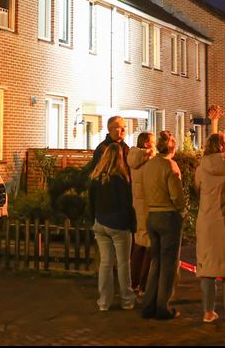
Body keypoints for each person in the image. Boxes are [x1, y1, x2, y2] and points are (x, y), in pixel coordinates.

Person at [139, 130, 185, 320]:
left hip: (152, 216)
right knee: (169, 264)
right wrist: (181, 209)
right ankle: (162, 307)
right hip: (168, 216)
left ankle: (148, 304)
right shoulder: (170, 166)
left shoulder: (149, 166)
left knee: (155, 261)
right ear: (172, 148)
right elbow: (176, 196)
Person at [196, 132, 225, 324]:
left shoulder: (201, 168)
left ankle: (208, 312)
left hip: (206, 221)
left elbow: (197, 188)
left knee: (208, 266)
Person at [87, 143, 136, 312]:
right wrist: (131, 224)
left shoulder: (96, 177)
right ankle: (127, 300)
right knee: (123, 263)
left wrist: (94, 220)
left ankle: (104, 302)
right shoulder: (122, 179)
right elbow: (127, 205)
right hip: (119, 225)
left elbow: (91, 203)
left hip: (100, 223)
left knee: (105, 263)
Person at [127, 131, 155, 293]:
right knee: (149, 244)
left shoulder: (133, 159)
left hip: (137, 204)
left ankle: (133, 281)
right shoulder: (148, 160)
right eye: (152, 141)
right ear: (146, 144)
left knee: (139, 243)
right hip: (148, 205)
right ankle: (144, 284)